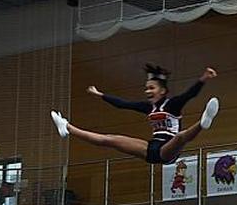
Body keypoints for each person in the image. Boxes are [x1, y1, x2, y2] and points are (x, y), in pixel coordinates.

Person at [51, 65, 220, 165]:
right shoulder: (148, 107)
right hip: (151, 148)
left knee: (180, 137)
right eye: (146, 88)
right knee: (109, 139)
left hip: (168, 150)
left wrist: (203, 78)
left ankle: (203, 122)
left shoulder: (173, 104)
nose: (148, 91)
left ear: (162, 90)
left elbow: (189, 94)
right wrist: (100, 94)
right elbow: (123, 104)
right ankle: (66, 127)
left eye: (151, 88)